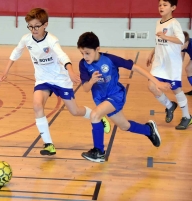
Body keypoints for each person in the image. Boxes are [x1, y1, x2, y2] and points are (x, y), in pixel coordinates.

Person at [0, 8, 110, 156]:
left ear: (45, 25)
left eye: (37, 26)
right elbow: (16, 52)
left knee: (74, 111)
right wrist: (5, 72)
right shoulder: (26, 39)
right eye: (30, 26)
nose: (33, 29)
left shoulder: (51, 40)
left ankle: (98, 116)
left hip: (60, 79)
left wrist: (70, 71)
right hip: (43, 80)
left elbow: (63, 56)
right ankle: (48, 144)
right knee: (37, 105)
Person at [77, 31, 171, 163]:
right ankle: (148, 130)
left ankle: (99, 152)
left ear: (97, 49)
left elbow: (137, 68)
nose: (85, 56)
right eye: (82, 53)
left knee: (94, 115)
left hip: (116, 95)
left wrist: (157, 82)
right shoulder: (83, 64)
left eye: (87, 53)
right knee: (124, 126)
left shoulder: (110, 59)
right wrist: (91, 81)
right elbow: (86, 89)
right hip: (101, 99)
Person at [146, 0, 191, 130]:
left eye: (165, 5)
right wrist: (152, 52)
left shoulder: (174, 23)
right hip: (159, 62)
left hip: (172, 63)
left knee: (176, 90)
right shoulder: (157, 23)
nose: (161, 7)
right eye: (160, 5)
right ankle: (170, 105)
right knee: (151, 85)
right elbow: (159, 42)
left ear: (173, 7)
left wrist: (166, 37)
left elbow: (181, 40)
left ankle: (187, 117)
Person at [181, 31, 192, 95]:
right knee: (188, 69)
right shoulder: (183, 45)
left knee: (189, 68)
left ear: (186, 43)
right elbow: (181, 58)